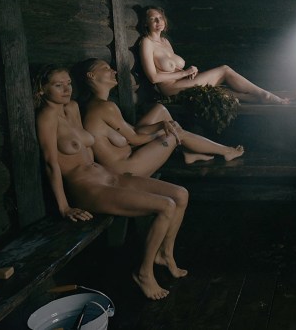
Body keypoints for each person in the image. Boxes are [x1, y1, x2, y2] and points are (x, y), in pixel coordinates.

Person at [34, 64, 189, 300]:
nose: (66, 89)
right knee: (166, 205)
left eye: (68, 83)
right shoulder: (46, 118)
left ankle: (164, 254)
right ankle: (144, 273)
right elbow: (50, 164)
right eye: (58, 85)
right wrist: (64, 207)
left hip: (106, 176)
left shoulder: (72, 108)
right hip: (87, 189)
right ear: (42, 89)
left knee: (180, 194)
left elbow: (93, 145)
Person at [73, 58, 244, 177]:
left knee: (160, 109)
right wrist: (163, 128)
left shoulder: (101, 104)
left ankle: (187, 152)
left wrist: (163, 125)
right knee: (176, 132)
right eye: (105, 68)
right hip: (128, 168)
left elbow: (133, 132)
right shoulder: (104, 107)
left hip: (130, 154)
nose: (114, 70)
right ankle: (226, 151)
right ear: (91, 76)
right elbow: (135, 139)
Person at [138, 6, 296, 102]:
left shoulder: (165, 42)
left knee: (227, 93)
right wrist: (185, 73)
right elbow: (154, 78)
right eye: (153, 19)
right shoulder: (146, 43)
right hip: (171, 90)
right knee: (225, 70)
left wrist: (189, 72)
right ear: (146, 23)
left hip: (183, 82)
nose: (158, 22)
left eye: (160, 17)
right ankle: (266, 95)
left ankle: (280, 95)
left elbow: (173, 69)